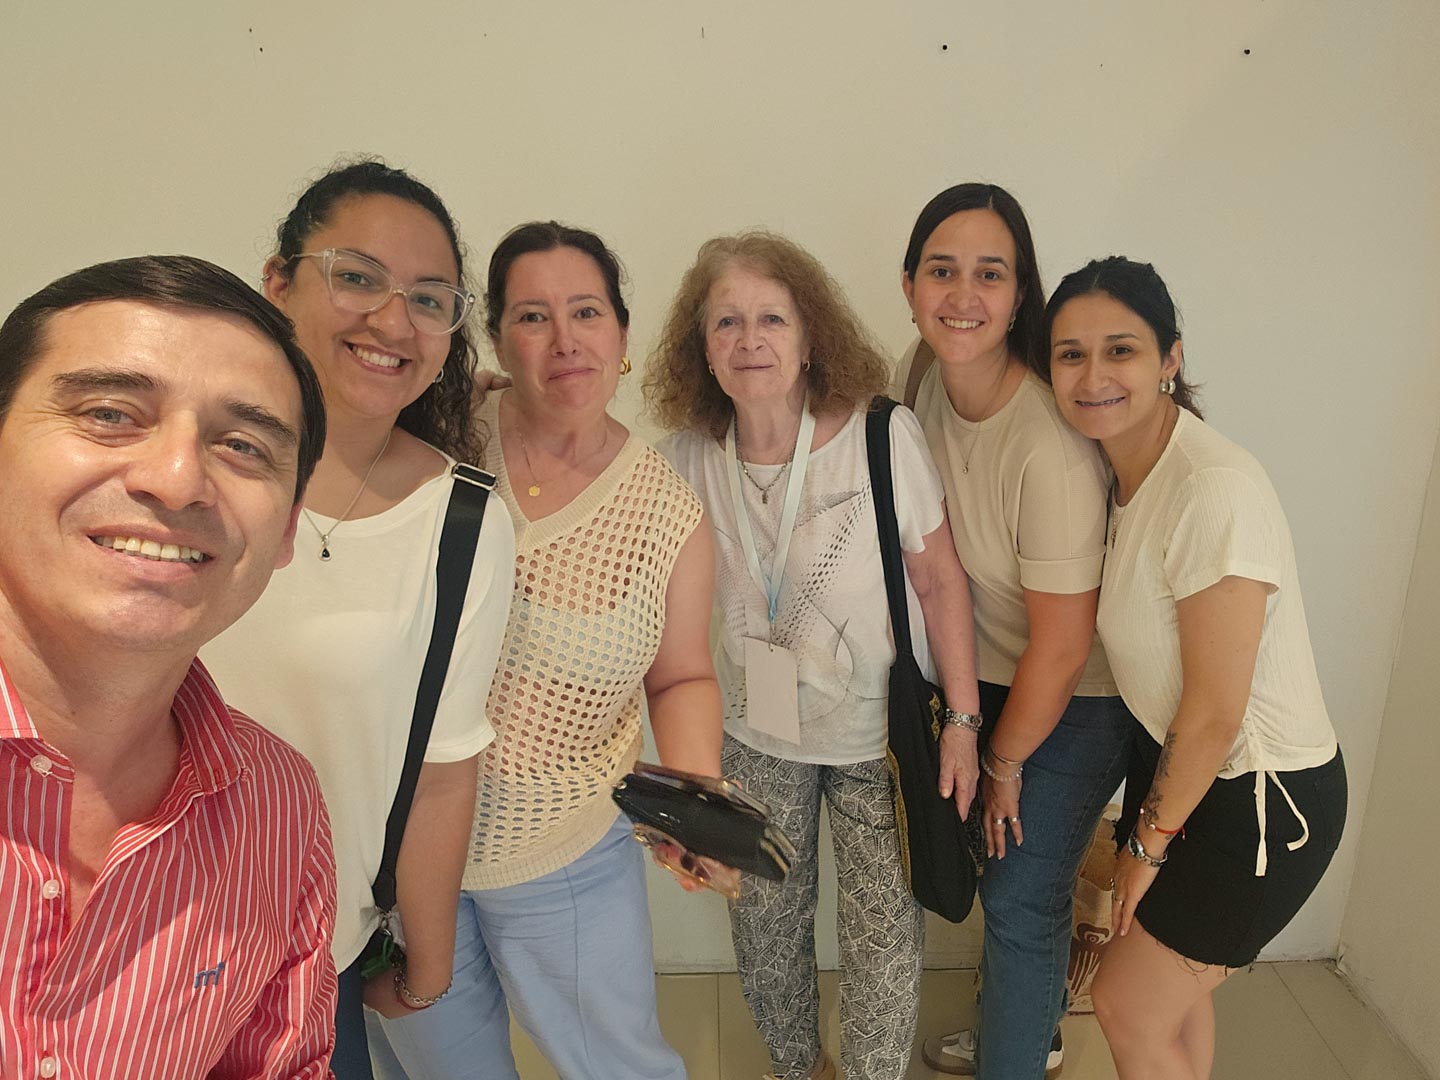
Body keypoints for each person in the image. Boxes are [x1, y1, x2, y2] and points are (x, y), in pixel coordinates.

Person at [369, 221, 723, 1080]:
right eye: (533, 317)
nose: (566, 340)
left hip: (562, 849)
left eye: (587, 312)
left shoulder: (666, 513)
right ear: (496, 337)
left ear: (623, 334)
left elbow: (681, 674)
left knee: (619, 1067)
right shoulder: (438, 437)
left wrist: (696, 801)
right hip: (401, 842)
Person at [201, 160, 515, 1078]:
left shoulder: (462, 521)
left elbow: (442, 768)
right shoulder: (181, 469)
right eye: (357, 276)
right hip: (110, 941)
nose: (391, 320)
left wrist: (428, 962)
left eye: (428, 298)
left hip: (309, 962)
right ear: (279, 283)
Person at [647, 230, 983, 1080]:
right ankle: (799, 1068)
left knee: (882, 938)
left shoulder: (881, 436)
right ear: (702, 349)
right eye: (726, 322)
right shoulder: (686, 458)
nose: (750, 340)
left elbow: (940, 581)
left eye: (772, 319)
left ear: (809, 339)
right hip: (752, 736)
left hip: (879, 740)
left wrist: (963, 723)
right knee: (763, 929)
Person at [0, 255, 336, 1077]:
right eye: (110, 414)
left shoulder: (280, 809)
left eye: (243, 446)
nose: (179, 480)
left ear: (288, 528)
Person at [1045, 256, 1346, 1079]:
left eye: (1121, 350)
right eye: (1071, 354)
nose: (1093, 376)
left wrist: (1143, 850)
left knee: (1126, 1006)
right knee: (1173, 1002)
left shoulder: (1212, 490)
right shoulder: (1124, 473)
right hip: (1192, 781)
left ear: (1170, 358)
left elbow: (1215, 712)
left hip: (1261, 799)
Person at [897, 184, 1134, 1080]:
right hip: (978, 670)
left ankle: (1019, 1050)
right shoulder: (919, 374)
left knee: (1021, 899)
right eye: (942, 271)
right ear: (909, 286)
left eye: (990, 274)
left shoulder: (1048, 442)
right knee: (991, 883)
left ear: (1021, 292)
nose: (963, 296)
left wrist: (1002, 762)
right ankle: (1027, 1029)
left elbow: (1064, 647)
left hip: (1075, 692)